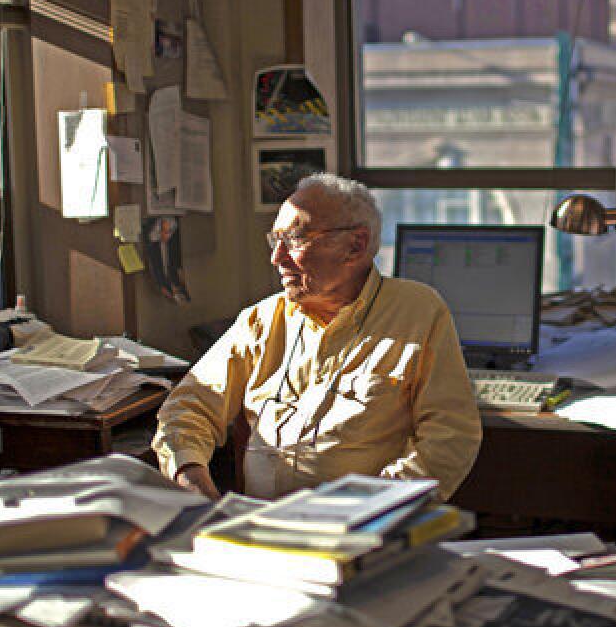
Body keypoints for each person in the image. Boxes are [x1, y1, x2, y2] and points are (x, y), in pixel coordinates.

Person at [151, 173, 482, 501]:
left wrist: (375, 508)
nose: (276, 258)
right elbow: (187, 409)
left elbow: (450, 437)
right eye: (274, 239)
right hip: (259, 526)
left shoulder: (417, 311)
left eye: (294, 239)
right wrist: (195, 487)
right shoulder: (263, 319)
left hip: (363, 531)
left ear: (356, 245)